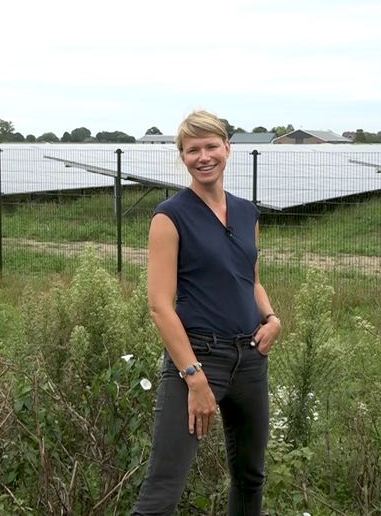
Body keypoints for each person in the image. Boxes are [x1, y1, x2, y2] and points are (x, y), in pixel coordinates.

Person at [132, 110, 282, 516]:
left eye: (211, 146)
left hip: (250, 359)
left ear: (227, 149)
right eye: (193, 149)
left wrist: (272, 318)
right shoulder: (170, 216)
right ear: (182, 157)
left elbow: (249, 280)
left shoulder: (248, 212)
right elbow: (160, 305)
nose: (204, 156)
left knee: (250, 477)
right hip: (198, 359)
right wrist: (193, 377)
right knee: (162, 492)